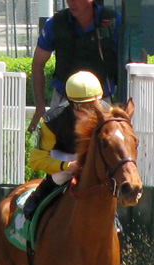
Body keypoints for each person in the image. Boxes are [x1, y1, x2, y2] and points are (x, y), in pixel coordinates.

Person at [24, 70, 107, 220]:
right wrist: (68, 166)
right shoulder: (51, 121)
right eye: (80, 106)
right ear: (70, 103)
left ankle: (112, 215)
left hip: (92, 154)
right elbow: (36, 161)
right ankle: (38, 197)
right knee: (60, 175)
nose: (87, 112)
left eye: (92, 105)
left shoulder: (109, 115)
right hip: (64, 154)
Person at [28, 0, 120, 131]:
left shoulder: (114, 22)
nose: (71, 2)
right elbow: (37, 64)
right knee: (51, 148)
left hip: (102, 102)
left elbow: (136, 57)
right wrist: (40, 107)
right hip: (62, 102)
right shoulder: (55, 23)